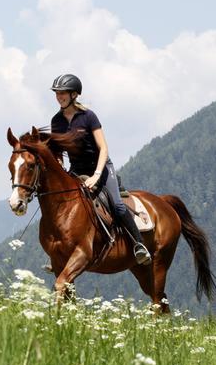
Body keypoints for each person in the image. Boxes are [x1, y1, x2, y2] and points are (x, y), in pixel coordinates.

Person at [49, 73, 152, 265]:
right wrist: (60, 166)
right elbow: (57, 151)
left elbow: (103, 148)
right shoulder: (57, 121)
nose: (59, 96)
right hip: (76, 169)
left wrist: (96, 176)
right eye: (57, 93)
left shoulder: (88, 116)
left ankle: (139, 245)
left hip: (101, 167)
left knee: (118, 205)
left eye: (63, 93)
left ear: (74, 94)